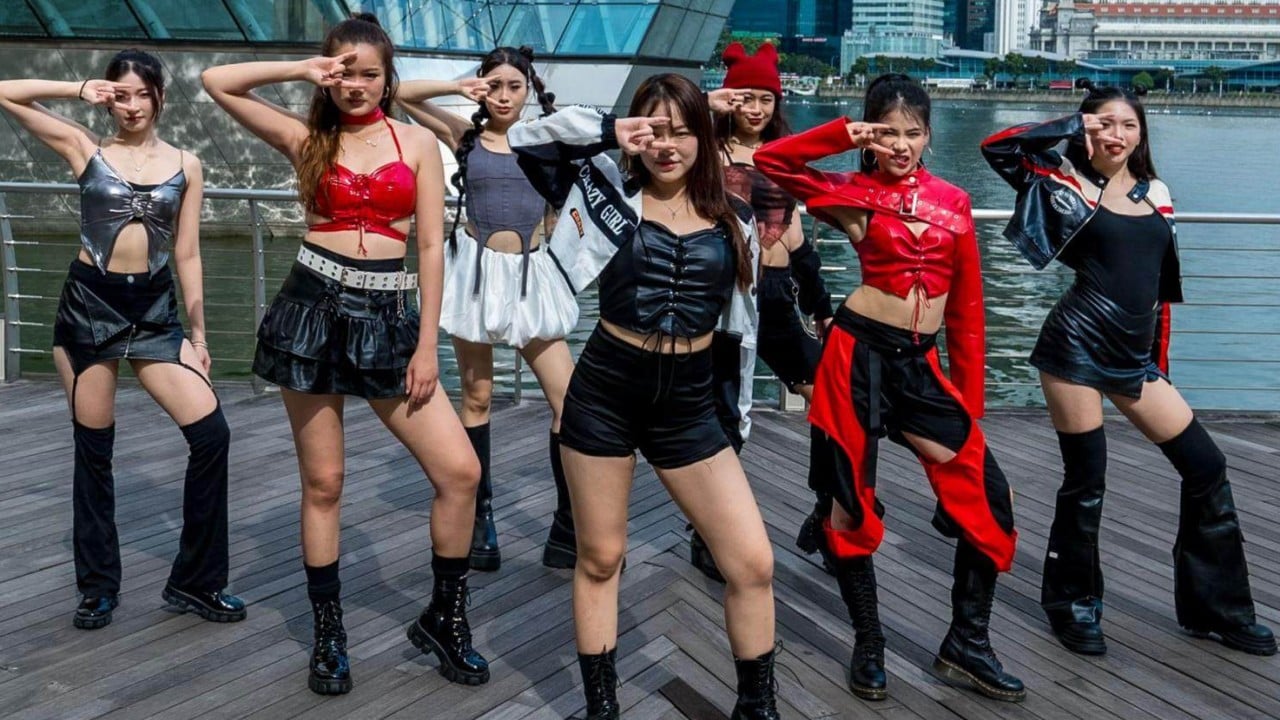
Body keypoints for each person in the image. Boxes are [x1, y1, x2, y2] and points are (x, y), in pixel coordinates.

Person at [201, 13, 489, 695]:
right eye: (343, 72)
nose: (355, 84)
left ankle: (445, 619)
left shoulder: (417, 142)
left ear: (389, 79)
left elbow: (428, 247)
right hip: (310, 312)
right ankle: (329, 634)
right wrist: (301, 70)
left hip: (389, 318)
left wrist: (427, 345)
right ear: (327, 76)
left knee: (460, 472)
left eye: (369, 73)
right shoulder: (307, 137)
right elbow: (217, 81)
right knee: (325, 483)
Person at [509, 74, 780, 719]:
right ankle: (602, 708)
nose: (666, 145)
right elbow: (527, 141)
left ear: (704, 137)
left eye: (681, 131)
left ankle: (757, 708)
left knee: (752, 563)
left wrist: (768, 396)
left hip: (689, 405)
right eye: (652, 130)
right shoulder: (605, 189)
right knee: (601, 558)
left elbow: (743, 330)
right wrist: (610, 130)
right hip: (606, 391)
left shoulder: (735, 218)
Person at [980, 78, 1276, 657]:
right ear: (1088, 127)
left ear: (1142, 134)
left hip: (1134, 359)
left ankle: (1217, 609)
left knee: (1207, 466)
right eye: (1104, 122)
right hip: (1075, 347)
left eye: (1128, 125)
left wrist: (1157, 365)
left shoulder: (1155, 192)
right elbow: (999, 147)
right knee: (1087, 481)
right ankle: (1072, 605)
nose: (1116, 134)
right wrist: (1074, 126)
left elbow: (1155, 291)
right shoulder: (1063, 181)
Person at [756, 74, 1025, 702]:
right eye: (887, 133)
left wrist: (970, 407)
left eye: (913, 132)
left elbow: (968, 313)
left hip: (920, 368)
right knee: (849, 507)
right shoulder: (854, 193)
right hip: (855, 359)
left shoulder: (955, 202)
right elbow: (772, 161)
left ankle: (967, 644)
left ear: (929, 135)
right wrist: (844, 135)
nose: (901, 145)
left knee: (991, 498)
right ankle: (869, 641)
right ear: (870, 137)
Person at [0, 51, 242, 631]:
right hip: (90, 306)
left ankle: (196, 581)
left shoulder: (186, 164)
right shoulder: (86, 148)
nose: (131, 106)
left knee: (212, 434)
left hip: (155, 311)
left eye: (141, 94)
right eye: (120, 95)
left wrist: (199, 335)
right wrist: (78, 87)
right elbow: (5, 92)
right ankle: (97, 588)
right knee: (95, 451)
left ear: (160, 97)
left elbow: (187, 253)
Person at [396, 46, 578, 572]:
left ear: (529, 90)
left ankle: (568, 524)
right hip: (474, 278)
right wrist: (456, 87)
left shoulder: (546, 142)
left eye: (513, 86)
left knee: (569, 402)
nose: (502, 96)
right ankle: (481, 518)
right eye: (493, 85)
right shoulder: (464, 136)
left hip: (531, 278)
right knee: (476, 397)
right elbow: (401, 94)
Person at [688, 41, 838, 583]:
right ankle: (708, 534)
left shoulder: (786, 155)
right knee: (724, 417)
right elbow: (666, 126)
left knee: (832, 400)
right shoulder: (706, 151)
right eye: (745, 97)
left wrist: (821, 306)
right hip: (724, 298)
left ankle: (826, 514)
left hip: (776, 298)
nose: (755, 109)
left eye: (765, 99)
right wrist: (706, 106)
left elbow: (795, 236)